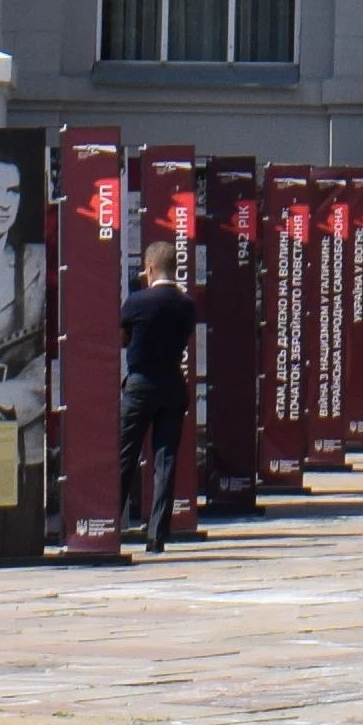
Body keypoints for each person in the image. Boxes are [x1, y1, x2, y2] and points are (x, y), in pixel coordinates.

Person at [117, 233, 196, 554]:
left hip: (140, 384)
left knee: (125, 454)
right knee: (166, 460)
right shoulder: (187, 304)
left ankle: (111, 522)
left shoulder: (136, 301)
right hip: (173, 384)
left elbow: (123, 337)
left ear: (149, 268)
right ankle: (157, 534)